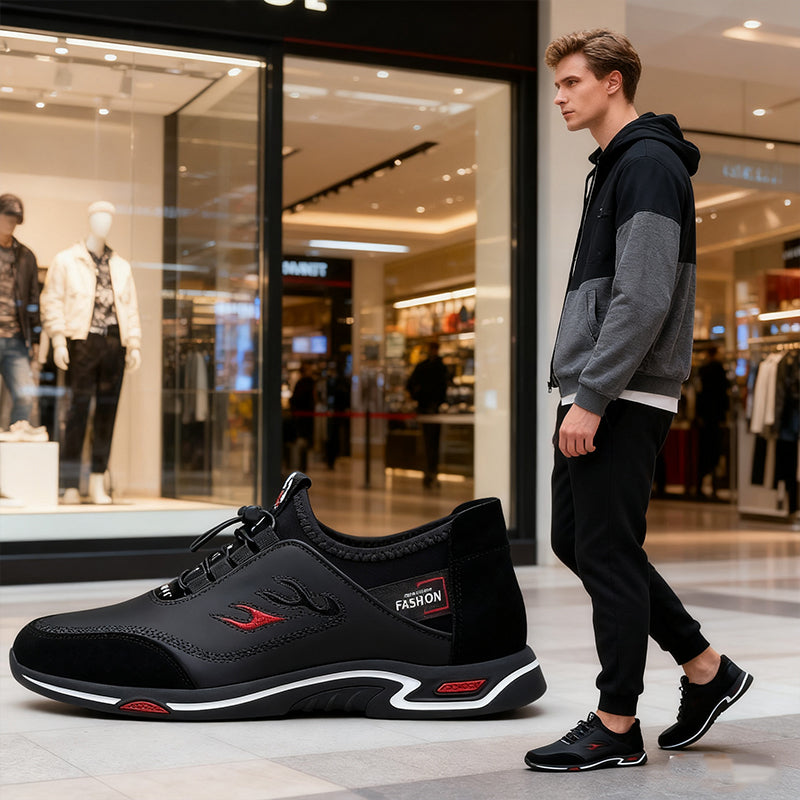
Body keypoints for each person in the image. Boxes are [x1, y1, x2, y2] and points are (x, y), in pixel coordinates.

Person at [525, 29, 752, 772]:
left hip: (621, 392)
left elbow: (644, 295)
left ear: (613, 81)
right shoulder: (618, 167)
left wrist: (593, 396)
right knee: (579, 540)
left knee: (606, 549)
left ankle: (616, 722)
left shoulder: (648, 165)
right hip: (604, 387)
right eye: (557, 84)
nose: (560, 96)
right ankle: (705, 667)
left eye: (571, 82)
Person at [40, 201, 142, 505]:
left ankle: (98, 480)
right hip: (82, 340)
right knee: (77, 411)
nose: (103, 223)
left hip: (114, 342)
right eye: (99, 218)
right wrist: (58, 339)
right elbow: (52, 300)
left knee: (107, 413)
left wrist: (133, 343)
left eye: (108, 218)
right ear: (90, 220)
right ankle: (70, 483)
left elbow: (130, 307)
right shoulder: (66, 260)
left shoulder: (121, 266)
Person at [0, 194, 41, 433]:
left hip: (16, 339)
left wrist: (35, 338)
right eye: (6, 216)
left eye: (14, 218)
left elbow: (34, 300)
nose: (10, 223)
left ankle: (15, 437)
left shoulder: (26, 257)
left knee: (26, 396)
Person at [406, 342, 449, 488]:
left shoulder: (438, 367)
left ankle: (432, 472)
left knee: (432, 443)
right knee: (428, 444)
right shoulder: (427, 367)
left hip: (432, 409)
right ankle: (430, 472)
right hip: (427, 409)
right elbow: (410, 384)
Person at [695, 346, 730, 499]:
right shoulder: (719, 370)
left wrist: (699, 415)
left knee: (704, 453)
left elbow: (699, 394)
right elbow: (724, 395)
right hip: (716, 418)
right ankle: (714, 487)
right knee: (715, 452)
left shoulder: (703, 370)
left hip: (705, 418)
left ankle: (699, 486)